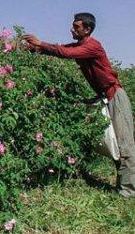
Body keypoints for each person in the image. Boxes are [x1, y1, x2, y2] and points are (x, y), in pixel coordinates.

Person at [23, 12, 135, 198]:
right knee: (113, 142)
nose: (72, 29)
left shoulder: (92, 46)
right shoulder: (81, 45)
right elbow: (61, 49)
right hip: (105, 97)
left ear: (87, 29)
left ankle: (128, 191)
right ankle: (123, 186)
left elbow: (66, 53)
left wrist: (41, 43)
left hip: (115, 96)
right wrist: (36, 49)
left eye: (77, 27)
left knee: (125, 144)